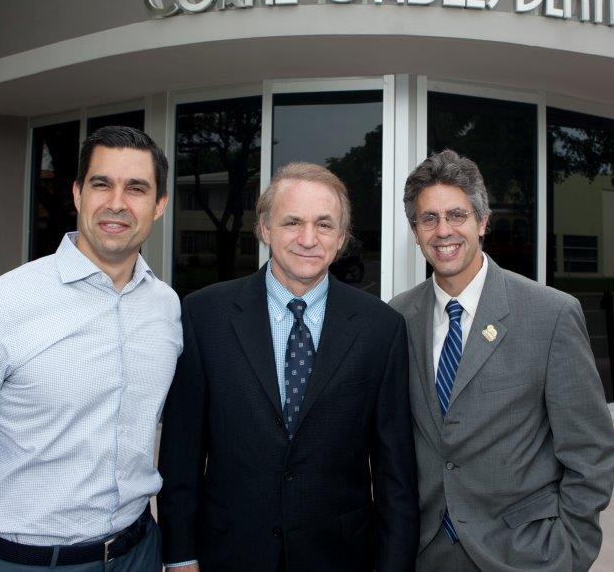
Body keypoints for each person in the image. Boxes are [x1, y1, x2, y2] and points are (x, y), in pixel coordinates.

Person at [0, 126, 181, 571]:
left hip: (139, 552)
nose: (117, 203)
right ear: (78, 194)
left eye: (136, 188)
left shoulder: (166, 308)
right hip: (27, 562)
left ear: (159, 205)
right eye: (102, 184)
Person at [158, 162, 419, 571]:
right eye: (292, 222)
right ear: (264, 229)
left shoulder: (381, 328)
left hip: (340, 558)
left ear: (341, 238)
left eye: (324, 225)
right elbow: (181, 454)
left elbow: (395, 474)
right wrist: (179, 557)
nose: (308, 239)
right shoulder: (204, 316)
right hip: (229, 555)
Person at [389, 150, 614, 572]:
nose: (444, 231)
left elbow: (591, 450)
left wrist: (570, 551)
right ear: (415, 232)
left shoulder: (551, 314)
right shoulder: (396, 318)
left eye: (457, 215)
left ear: (482, 222)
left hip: (522, 553)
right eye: (429, 219)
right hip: (424, 552)